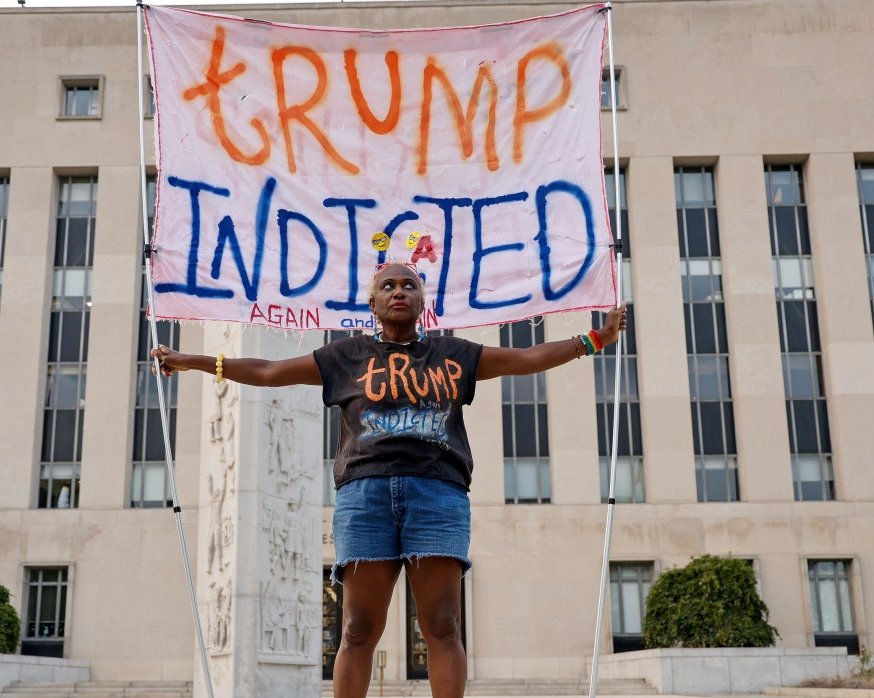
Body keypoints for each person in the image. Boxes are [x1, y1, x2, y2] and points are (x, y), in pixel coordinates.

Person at [151, 262, 626, 698]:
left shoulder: (454, 354)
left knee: (442, 626)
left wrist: (594, 340)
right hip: (365, 495)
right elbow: (271, 371)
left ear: (423, 301)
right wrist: (194, 360)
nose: (399, 291)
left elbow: (525, 359)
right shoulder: (345, 356)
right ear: (372, 304)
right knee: (358, 629)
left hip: (437, 493)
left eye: (409, 285)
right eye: (388, 286)